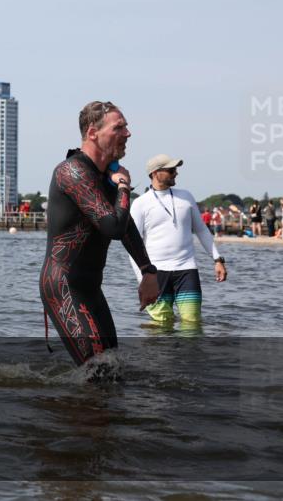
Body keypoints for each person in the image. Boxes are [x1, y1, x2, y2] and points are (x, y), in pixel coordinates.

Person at [39, 101, 159, 366]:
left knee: (112, 369)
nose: (128, 134)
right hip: (64, 287)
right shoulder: (72, 172)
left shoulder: (105, 175)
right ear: (93, 132)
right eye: (119, 127)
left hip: (91, 288)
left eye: (127, 127)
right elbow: (113, 227)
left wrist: (148, 270)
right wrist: (125, 187)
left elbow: (125, 225)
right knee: (99, 372)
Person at [129, 155, 227, 324]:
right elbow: (132, 245)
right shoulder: (140, 203)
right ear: (155, 173)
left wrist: (217, 259)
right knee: (161, 327)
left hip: (187, 270)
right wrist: (142, 279)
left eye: (176, 170)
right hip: (154, 274)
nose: (176, 173)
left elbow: (202, 230)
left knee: (192, 325)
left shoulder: (186, 197)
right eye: (171, 170)